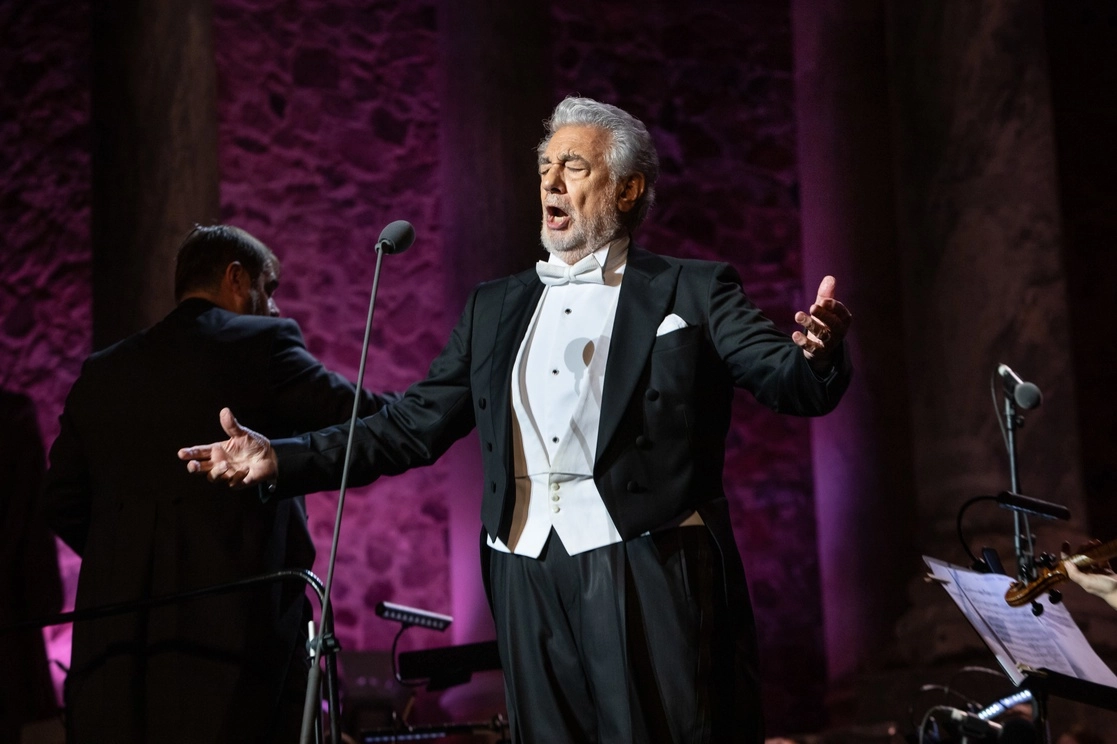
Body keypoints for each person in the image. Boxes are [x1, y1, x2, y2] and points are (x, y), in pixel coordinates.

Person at [180, 97, 853, 743]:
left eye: (574, 167)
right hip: (522, 566)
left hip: (646, 559)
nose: (550, 183)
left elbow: (786, 379)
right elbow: (412, 425)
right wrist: (283, 458)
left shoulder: (693, 288)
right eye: (543, 169)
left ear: (626, 190)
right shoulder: (493, 307)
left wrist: (817, 353)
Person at [42, 225, 395, 743]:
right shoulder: (260, 344)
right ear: (235, 278)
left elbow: (61, 502)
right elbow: (368, 421)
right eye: (267, 289)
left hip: (115, 662)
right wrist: (444, 400)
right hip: (234, 656)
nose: (273, 307)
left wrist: (129, 558)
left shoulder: (100, 373)